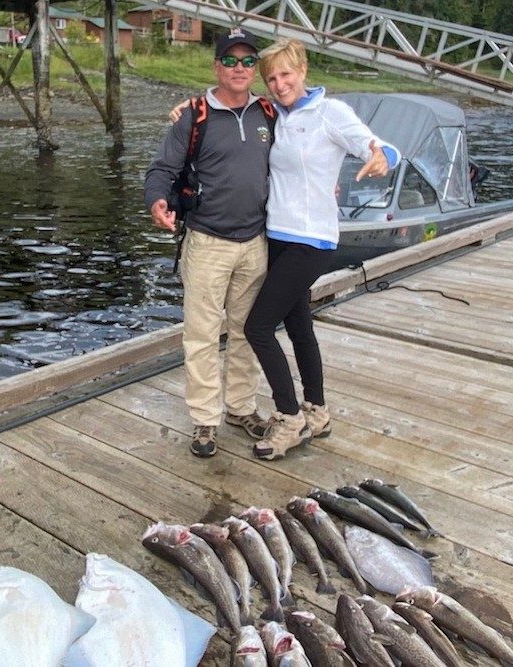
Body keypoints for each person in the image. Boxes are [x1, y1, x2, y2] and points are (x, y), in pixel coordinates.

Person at [244, 38, 399, 460]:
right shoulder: (272, 113)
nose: (279, 84)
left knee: (257, 327)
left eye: (285, 74)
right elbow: (228, 108)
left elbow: (375, 144)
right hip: (277, 236)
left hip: (311, 240)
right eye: (271, 77)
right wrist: (188, 110)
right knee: (298, 325)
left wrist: (382, 155)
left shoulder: (330, 112)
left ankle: (289, 418)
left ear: (303, 70)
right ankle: (317, 412)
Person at [143, 27, 274, 458]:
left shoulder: (270, 112)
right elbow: (162, 169)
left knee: (246, 332)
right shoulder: (193, 116)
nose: (239, 68)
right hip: (206, 241)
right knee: (201, 335)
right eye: (231, 61)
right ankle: (204, 418)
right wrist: (157, 200)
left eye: (248, 61)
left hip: (256, 241)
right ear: (216, 66)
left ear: (256, 68)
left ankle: (240, 407)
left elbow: (310, 141)